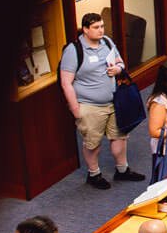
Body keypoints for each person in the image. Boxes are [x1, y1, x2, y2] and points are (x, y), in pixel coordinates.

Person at [59, 13, 145, 187]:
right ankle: (94, 174)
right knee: (93, 144)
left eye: (102, 26)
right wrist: (76, 110)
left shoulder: (106, 42)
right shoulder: (73, 50)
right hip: (89, 106)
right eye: (96, 27)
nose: (101, 30)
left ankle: (122, 170)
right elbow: (66, 83)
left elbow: (120, 62)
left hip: (114, 102)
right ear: (85, 29)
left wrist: (118, 70)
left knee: (120, 138)